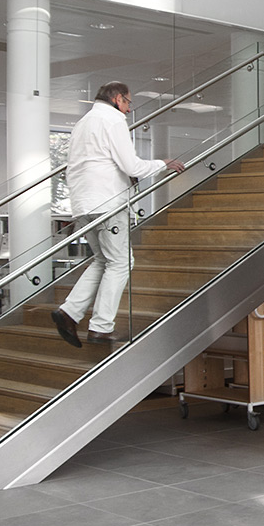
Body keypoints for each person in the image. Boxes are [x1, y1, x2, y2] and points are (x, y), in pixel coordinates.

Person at [52, 82, 185, 347]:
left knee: (102, 260)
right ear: (117, 98)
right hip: (107, 203)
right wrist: (163, 164)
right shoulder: (113, 120)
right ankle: (100, 327)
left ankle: (69, 312)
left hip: (82, 204)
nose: (128, 110)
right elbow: (131, 165)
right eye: (127, 102)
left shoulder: (83, 123)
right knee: (121, 263)